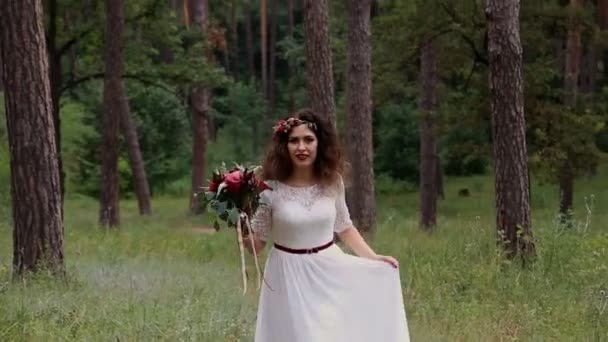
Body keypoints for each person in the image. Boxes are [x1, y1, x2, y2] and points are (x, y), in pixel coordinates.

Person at [244, 108, 410, 342]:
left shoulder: (333, 183)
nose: (301, 147)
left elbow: (345, 227)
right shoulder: (270, 189)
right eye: (294, 141)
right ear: (285, 145)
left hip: (328, 269)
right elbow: (257, 245)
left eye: (308, 140)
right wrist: (240, 222)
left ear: (319, 143)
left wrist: (373, 258)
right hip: (287, 275)